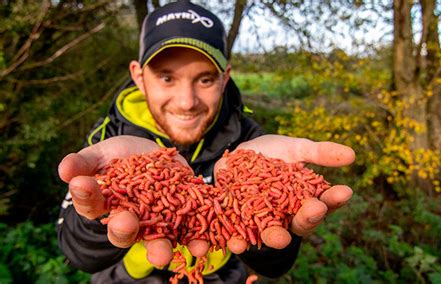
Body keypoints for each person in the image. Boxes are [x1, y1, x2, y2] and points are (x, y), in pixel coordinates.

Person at [56, 0, 355, 283]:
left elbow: (277, 262)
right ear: (138, 75)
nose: (187, 102)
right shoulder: (107, 144)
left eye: (205, 79)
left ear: (225, 78)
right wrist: (102, 209)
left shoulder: (253, 144)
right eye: (167, 78)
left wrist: (260, 222)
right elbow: (76, 252)